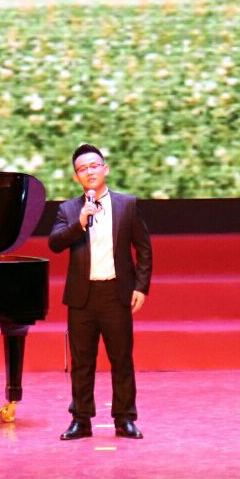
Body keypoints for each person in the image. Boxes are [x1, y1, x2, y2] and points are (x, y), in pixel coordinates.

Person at [49, 143, 152, 441]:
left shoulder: (127, 205)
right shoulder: (69, 210)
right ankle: (81, 420)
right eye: (82, 169)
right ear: (76, 177)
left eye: (94, 166)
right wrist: (80, 222)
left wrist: (141, 286)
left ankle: (125, 419)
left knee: (121, 359)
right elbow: (54, 243)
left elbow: (144, 248)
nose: (89, 172)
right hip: (82, 297)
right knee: (82, 362)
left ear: (105, 169)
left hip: (116, 293)